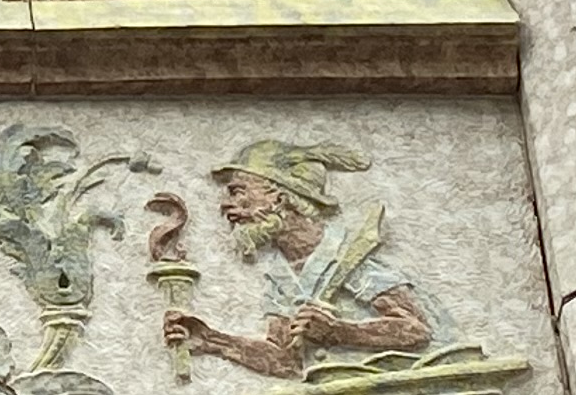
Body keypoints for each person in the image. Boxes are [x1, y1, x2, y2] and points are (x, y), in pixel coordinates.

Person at [157, 138, 443, 377]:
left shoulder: (347, 254)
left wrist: (339, 332)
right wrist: (213, 340)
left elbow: (416, 329)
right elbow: (286, 360)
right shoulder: (281, 273)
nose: (224, 204)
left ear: (280, 198)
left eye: (237, 191)